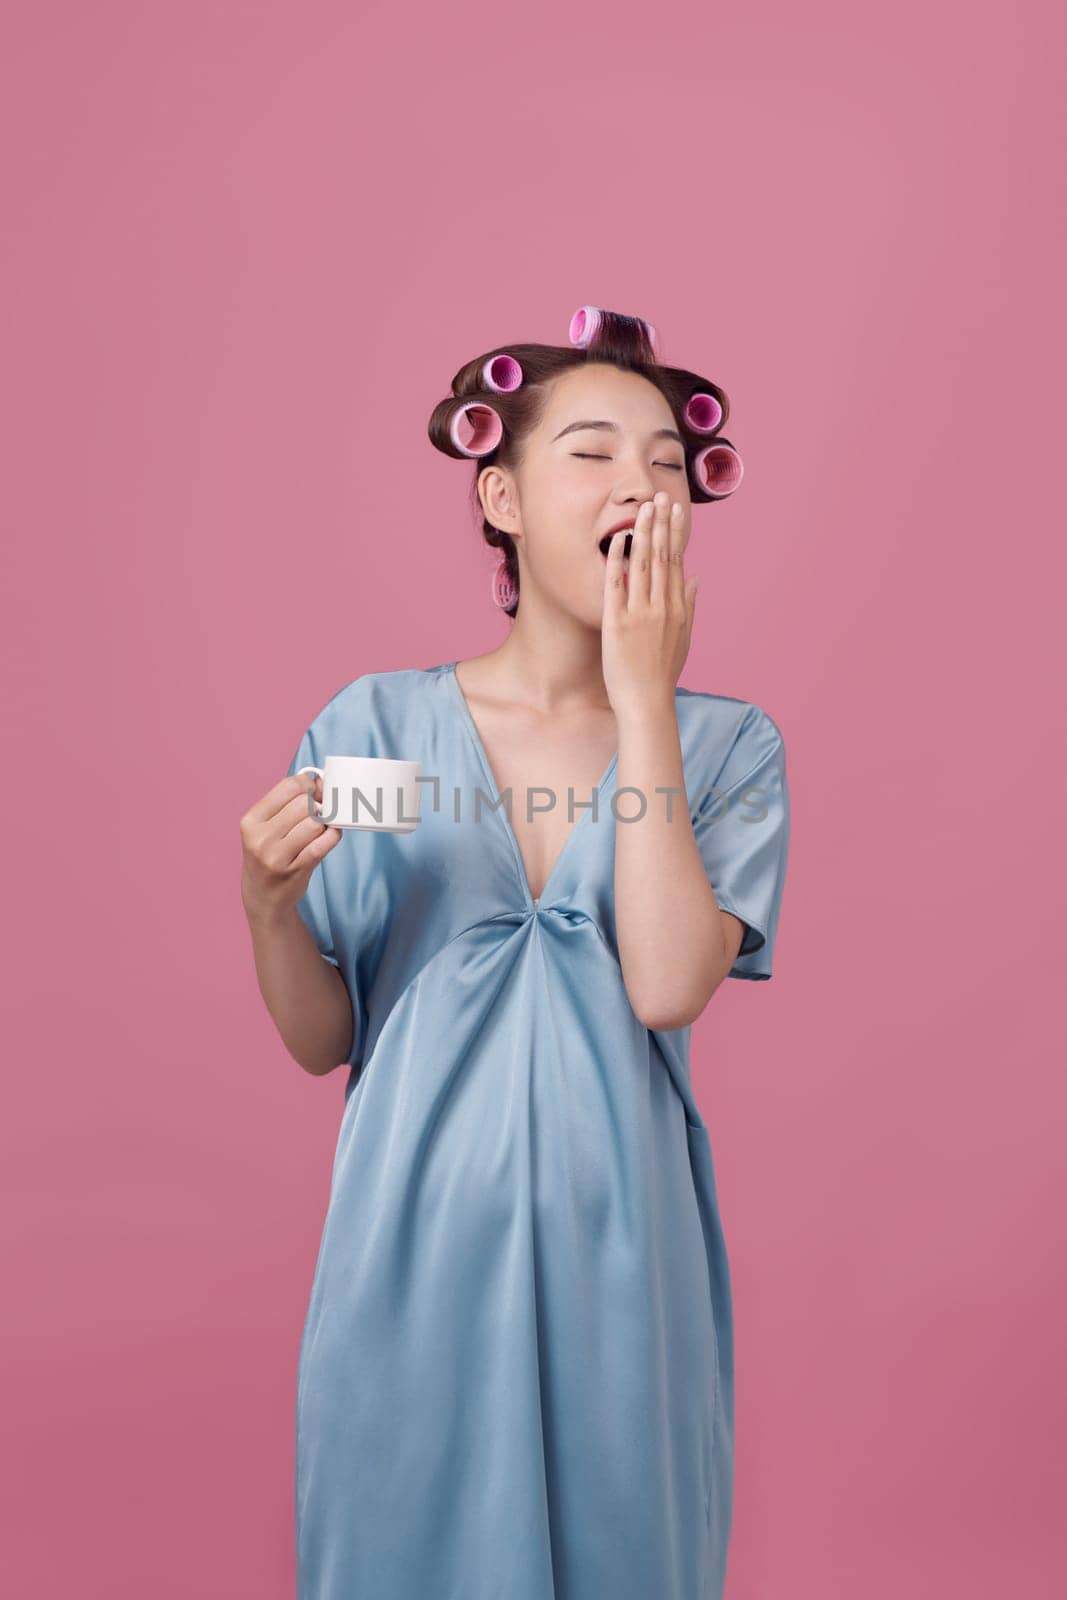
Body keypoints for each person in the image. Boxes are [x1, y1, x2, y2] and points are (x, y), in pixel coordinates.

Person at [239, 306, 791, 1600]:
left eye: (667, 463)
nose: (641, 487)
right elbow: (329, 1035)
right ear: (500, 494)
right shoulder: (377, 730)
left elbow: (664, 984)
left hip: (627, 1264)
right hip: (409, 1248)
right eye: (594, 453)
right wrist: (267, 906)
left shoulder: (726, 749)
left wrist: (643, 696)